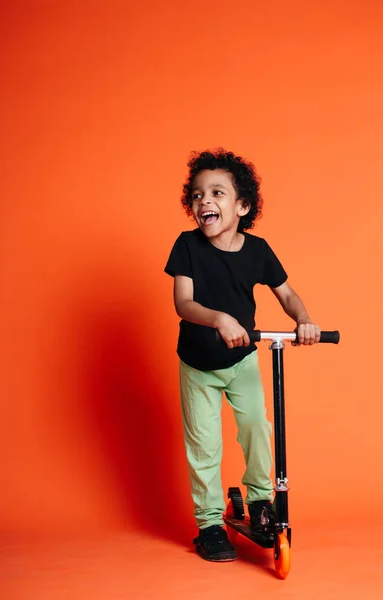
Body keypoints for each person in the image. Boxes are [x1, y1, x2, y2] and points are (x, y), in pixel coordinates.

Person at [164, 149, 320, 562]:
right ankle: (210, 523)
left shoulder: (258, 250)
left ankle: (260, 501)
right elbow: (183, 303)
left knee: (256, 429)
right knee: (204, 445)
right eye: (197, 195)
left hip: (242, 360)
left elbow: (286, 293)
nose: (204, 202)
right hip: (198, 364)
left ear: (242, 206)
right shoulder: (187, 247)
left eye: (217, 192)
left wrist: (304, 318)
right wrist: (218, 319)